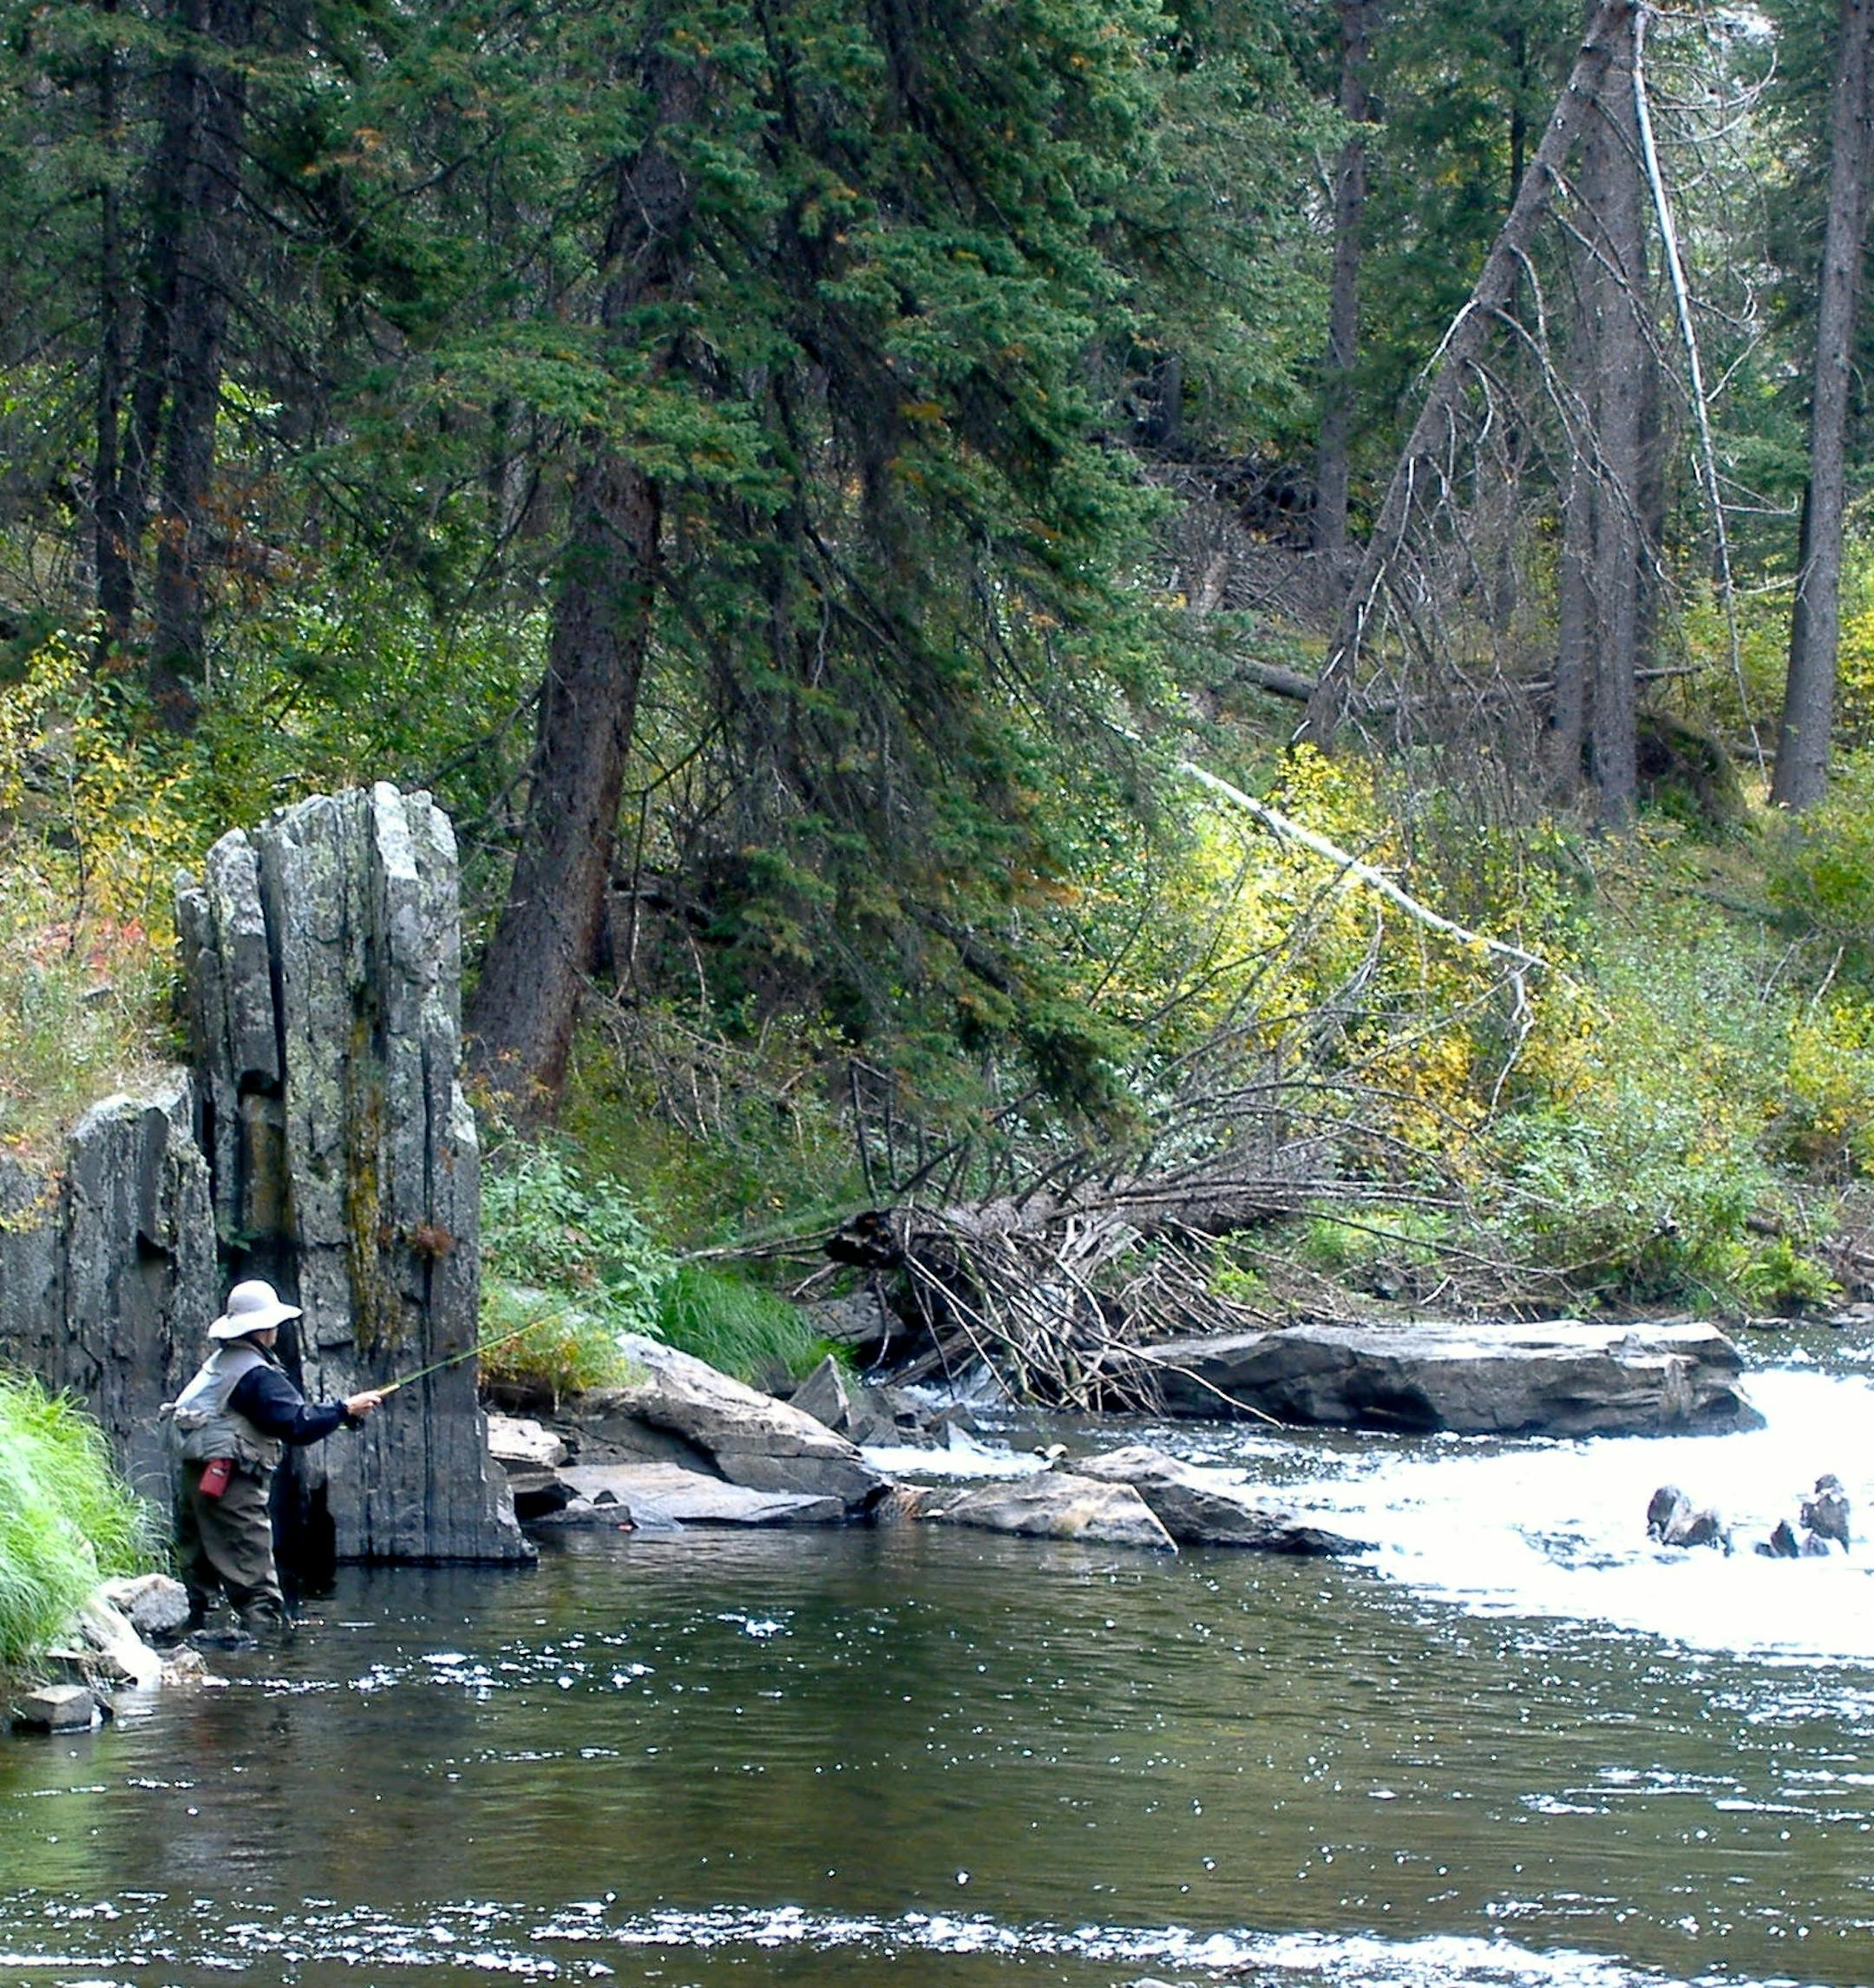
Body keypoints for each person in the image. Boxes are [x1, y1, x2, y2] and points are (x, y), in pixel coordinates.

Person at [168, 1278, 384, 1641]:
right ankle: (263, 1664)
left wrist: (341, 1415)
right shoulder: (256, 1375)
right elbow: (297, 1425)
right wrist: (345, 1408)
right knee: (255, 1587)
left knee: (199, 1574)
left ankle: (192, 1650)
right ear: (263, 1328)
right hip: (231, 1486)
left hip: (198, 1480)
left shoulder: (219, 1364)